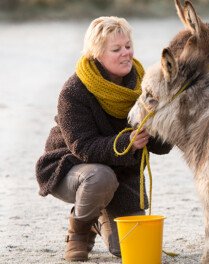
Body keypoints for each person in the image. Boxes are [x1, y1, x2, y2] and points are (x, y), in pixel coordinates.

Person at [35, 16, 172, 261]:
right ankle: (79, 231)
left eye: (128, 46)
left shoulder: (145, 86)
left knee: (126, 249)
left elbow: (162, 147)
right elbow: (82, 146)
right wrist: (126, 143)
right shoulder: (73, 90)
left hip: (122, 176)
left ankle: (100, 217)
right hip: (70, 167)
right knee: (100, 177)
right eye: (116, 49)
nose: (126, 54)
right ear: (97, 54)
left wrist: (160, 126)